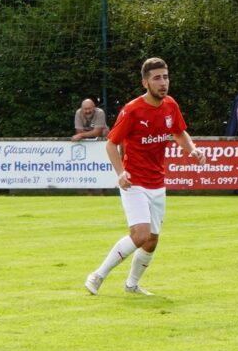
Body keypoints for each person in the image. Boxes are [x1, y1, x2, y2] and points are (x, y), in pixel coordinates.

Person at [84, 58, 205, 297]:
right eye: (157, 78)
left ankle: (132, 285)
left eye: (166, 77)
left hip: (157, 183)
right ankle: (97, 275)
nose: (163, 83)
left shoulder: (170, 105)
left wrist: (191, 148)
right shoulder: (132, 110)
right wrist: (121, 173)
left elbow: (179, 132)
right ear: (145, 82)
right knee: (140, 234)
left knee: (151, 241)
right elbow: (111, 144)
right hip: (134, 182)